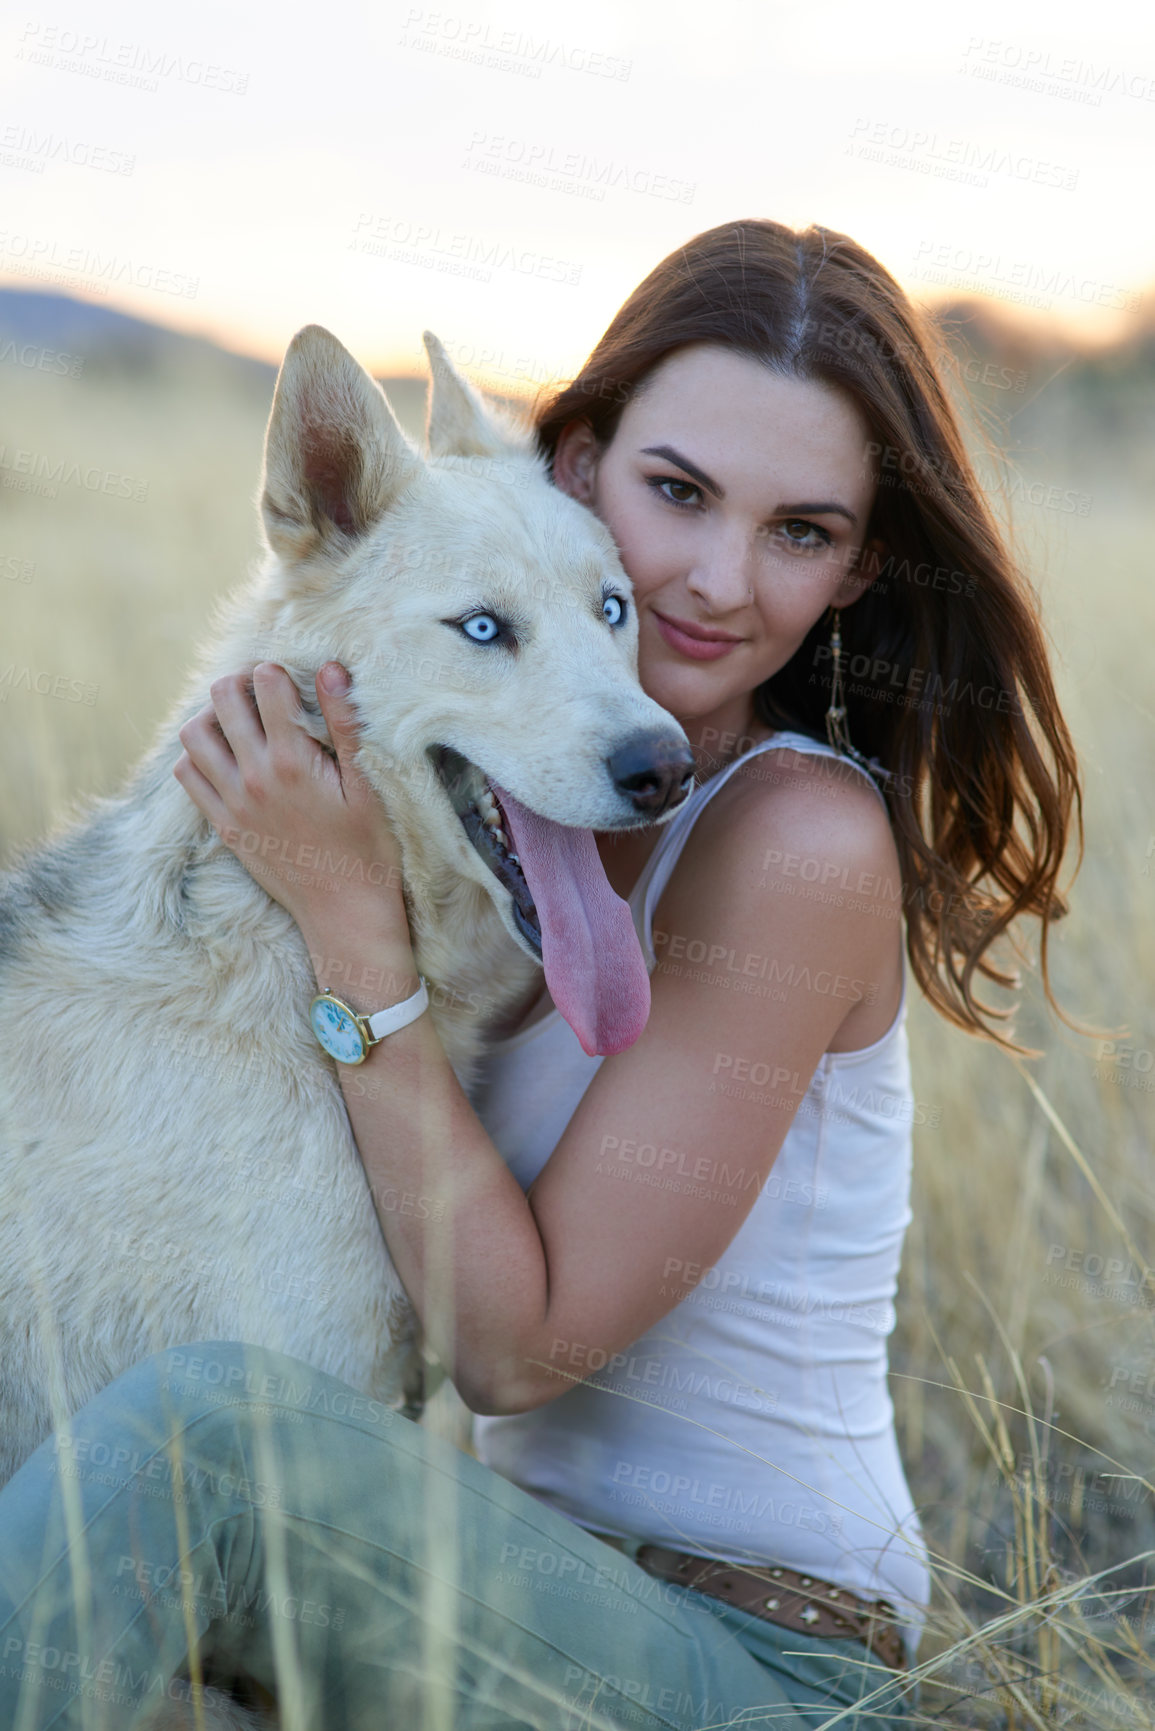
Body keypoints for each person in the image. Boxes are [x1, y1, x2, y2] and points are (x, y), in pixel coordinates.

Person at [0, 220, 1080, 1731]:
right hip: (510, 1600)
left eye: (800, 530)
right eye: (679, 494)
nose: (712, 581)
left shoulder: (795, 845)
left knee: (211, 1443)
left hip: (760, 1667)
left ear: (856, 569)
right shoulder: (538, 823)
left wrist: (353, 932)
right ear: (578, 467)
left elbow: (513, 1349)